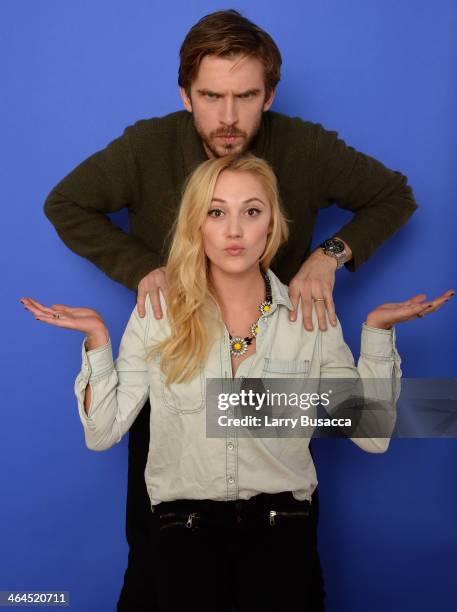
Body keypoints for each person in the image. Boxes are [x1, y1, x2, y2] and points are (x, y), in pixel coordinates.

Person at [42, 10, 421, 610]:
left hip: (279, 353)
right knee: (160, 562)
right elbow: (66, 203)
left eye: (245, 97)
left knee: (275, 529)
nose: (227, 117)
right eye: (210, 97)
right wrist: (144, 271)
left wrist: (329, 256)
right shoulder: (147, 148)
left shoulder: (306, 149)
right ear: (184, 94)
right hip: (179, 356)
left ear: (269, 94)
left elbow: (392, 195)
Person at [24, 155, 452, 611]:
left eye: (251, 211)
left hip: (283, 539)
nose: (234, 230)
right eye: (216, 212)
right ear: (197, 226)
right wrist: (97, 340)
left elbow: (373, 436)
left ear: (272, 227)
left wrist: (378, 334)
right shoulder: (157, 317)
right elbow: (102, 431)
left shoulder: (311, 320)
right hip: (182, 544)